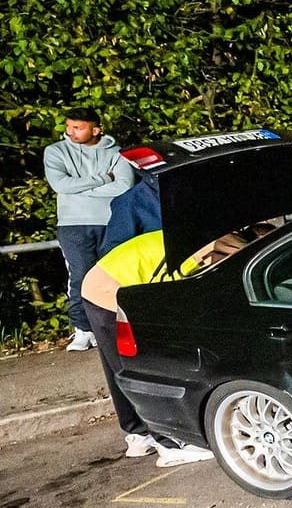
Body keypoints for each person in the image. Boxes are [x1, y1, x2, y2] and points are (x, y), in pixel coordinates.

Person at [79, 226, 268, 465]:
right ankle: (167, 445)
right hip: (112, 288)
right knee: (138, 366)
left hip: (104, 280)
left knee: (118, 366)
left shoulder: (212, 238)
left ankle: (137, 434)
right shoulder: (220, 251)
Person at [44, 109, 135, 351]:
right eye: (69, 126)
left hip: (111, 221)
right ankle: (83, 330)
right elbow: (60, 185)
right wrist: (105, 178)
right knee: (81, 275)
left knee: (115, 275)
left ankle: (115, 328)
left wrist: (79, 188)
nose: (70, 132)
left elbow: (124, 186)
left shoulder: (117, 154)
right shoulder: (55, 152)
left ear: (95, 130)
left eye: (78, 127)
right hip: (73, 224)